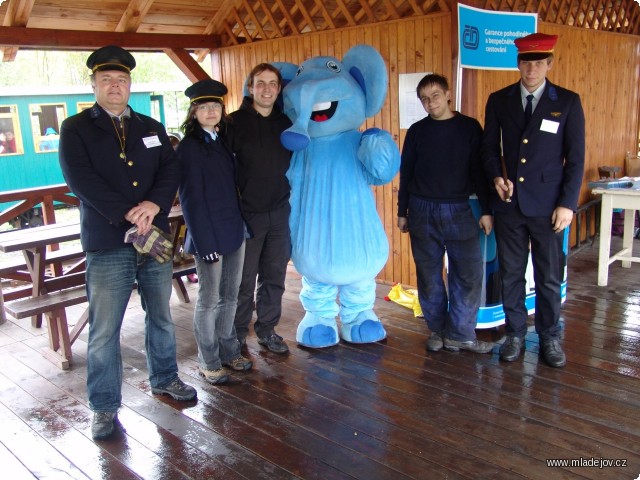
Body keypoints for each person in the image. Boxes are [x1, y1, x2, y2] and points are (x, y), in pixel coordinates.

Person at [58, 45, 196, 440]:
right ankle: (103, 407)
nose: (114, 86)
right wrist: (129, 214)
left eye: (121, 80)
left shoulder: (152, 127)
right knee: (105, 330)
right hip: (108, 241)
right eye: (106, 80)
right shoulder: (76, 128)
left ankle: (166, 379)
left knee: (162, 316)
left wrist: (153, 203)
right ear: (95, 85)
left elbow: (171, 170)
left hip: (152, 238)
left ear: (130, 85)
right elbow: (80, 181)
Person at [481, 33, 585, 368]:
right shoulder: (499, 100)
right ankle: (514, 335)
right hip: (510, 206)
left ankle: (550, 337)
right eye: (527, 62)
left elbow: (576, 158)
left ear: (549, 64)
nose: (532, 69)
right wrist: (497, 176)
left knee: (548, 276)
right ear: (518, 63)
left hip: (549, 208)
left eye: (539, 62)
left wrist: (567, 204)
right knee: (511, 274)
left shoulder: (567, 102)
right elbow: (488, 149)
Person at [398, 73, 494, 355]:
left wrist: (487, 210)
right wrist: (402, 211)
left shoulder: (469, 127)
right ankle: (437, 331)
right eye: (424, 99)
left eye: (435, 96)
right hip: (420, 209)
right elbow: (407, 174)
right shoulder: (417, 131)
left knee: (468, 274)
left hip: (458, 209)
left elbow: (479, 172)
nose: (430, 102)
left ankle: (461, 334)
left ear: (448, 94)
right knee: (428, 275)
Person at [177, 79, 253, 385]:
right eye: (204, 106)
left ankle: (229, 350)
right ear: (194, 111)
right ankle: (208, 360)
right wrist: (204, 241)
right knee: (209, 300)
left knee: (230, 297)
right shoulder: (189, 148)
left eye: (216, 106)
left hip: (233, 229)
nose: (211, 111)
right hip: (209, 235)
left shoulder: (220, 141)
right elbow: (190, 199)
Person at [227, 63, 293, 354]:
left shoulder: (286, 123)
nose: (266, 89)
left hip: (279, 211)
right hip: (247, 214)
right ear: (250, 88)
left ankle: (267, 329)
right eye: (260, 83)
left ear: (278, 89)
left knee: (274, 275)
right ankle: (238, 334)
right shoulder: (233, 123)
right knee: (243, 280)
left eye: (272, 83)